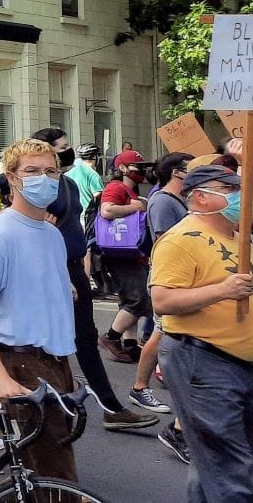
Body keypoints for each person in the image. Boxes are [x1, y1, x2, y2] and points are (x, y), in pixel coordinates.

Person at [0, 138, 80, 484]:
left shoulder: (50, 233)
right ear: (13, 178)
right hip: (21, 360)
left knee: (42, 468)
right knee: (55, 476)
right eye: (32, 171)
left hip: (56, 360)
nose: (43, 178)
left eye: (50, 171)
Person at [38, 126, 158, 433]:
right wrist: (60, 273)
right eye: (62, 146)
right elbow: (40, 235)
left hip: (75, 268)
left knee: (84, 339)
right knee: (51, 342)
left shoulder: (68, 184)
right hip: (57, 271)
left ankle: (107, 407)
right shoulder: (41, 190)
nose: (68, 151)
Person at [150, 163, 253, 503]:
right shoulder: (179, 240)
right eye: (229, 191)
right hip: (204, 361)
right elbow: (162, 300)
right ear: (200, 198)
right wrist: (222, 291)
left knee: (214, 462)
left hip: (238, 362)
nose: (240, 196)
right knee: (229, 465)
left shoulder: (239, 237)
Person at [138, 152, 190, 459]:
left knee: (162, 333)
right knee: (162, 330)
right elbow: (163, 240)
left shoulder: (175, 200)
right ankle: (140, 384)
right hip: (171, 279)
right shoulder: (162, 201)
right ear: (176, 172)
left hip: (182, 278)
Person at [98, 152, 153, 364]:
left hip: (129, 252)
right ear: (122, 168)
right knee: (138, 300)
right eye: (136, 166)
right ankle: (111, 337)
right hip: (122, 253)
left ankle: (130, 345)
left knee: (130, 300)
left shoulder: (130, 189)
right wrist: (135, 207)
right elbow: (107, 211)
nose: (141, 170)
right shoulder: (116, 187)